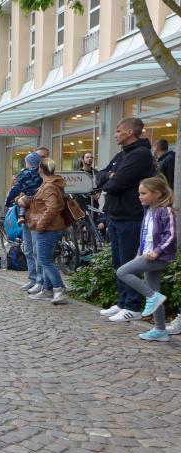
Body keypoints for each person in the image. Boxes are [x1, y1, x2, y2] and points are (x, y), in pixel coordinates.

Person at [97, 117, 155, 322]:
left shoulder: (141, 154)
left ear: (130, 132)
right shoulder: (122, 154)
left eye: (119, 131)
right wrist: (109, 176)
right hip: (115, 215)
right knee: (118, 263)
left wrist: (111, 178)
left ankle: (133, 306)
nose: (115, 135)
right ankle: (122, 302)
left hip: (131, 216)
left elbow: (115, 184)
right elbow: (100, 176)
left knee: (129, 263)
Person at [116, 177, 177, 341]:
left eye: (143, 193)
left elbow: (170, 235)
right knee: (154, 290)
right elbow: (145, 235)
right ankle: (160, 330)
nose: (140, 197)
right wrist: (140, 252)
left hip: (159, 257)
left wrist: (157, 252)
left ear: (157, 193)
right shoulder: (149, 210)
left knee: (122, 272)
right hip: (147, 255)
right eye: (139, 193)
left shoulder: (165, 211)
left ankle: (152, 297)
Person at [19, 158, 69, 305]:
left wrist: (41, 225)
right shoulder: (49, 184)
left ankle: (59, 289)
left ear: (40, 169)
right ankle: (47, 289)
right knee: (45, 259)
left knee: (44, 260)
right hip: (50, 228)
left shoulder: (49, 186)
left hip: (48, 229)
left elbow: (52, 208)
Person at [6, 152, 44, 293]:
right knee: (28, 249)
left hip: (36, 214)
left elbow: (16, 188)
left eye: (27, 161)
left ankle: (40, 281)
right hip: (26, 214)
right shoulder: (32, 173)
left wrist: (9, 200)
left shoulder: (39, 174)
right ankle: (33, 279)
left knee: (35, 249)